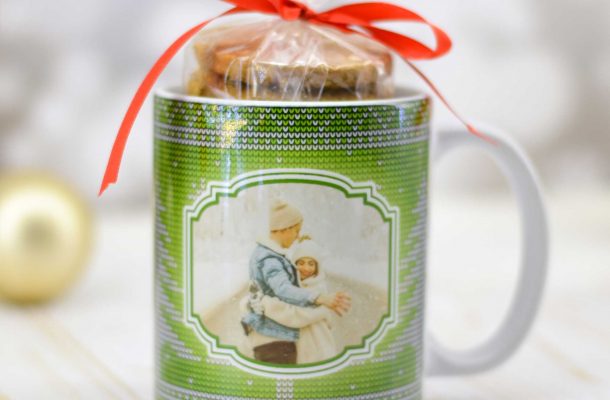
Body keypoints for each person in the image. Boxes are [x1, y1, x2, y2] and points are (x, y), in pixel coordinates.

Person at [241, 200, 350, 364]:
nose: (297, 236)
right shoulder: (270, 259)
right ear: (285, 228)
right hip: (275, 339)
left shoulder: (268, 254)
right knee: (282, 378)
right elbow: (283, 289)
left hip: (272, 338)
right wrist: (320, 298)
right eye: (296, 231)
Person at [250, 240, 338, 364]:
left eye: (311, 264)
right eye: (301, 263)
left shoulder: (317, 289)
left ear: (317, 268)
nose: (306, 268)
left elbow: (295, 316)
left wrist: (264, 303)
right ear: (294, 265)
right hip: (303, 348)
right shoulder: (293, 288)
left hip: (319, 347)